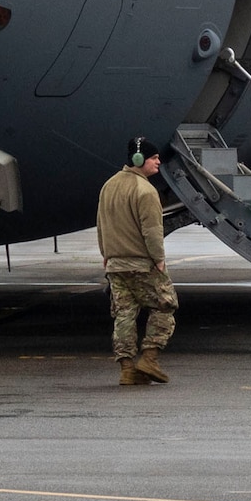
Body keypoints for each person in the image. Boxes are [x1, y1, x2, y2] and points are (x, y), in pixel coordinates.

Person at [96, 135, 176, 385]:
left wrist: (105, 254)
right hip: (141, 263)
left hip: (115, 264)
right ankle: (149, 358)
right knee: (165, 306)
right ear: (139, 159)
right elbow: (152, 230)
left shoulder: (108, 186)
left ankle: (127, 370)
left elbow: (101, 224)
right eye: (154, 158)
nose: (158, 162)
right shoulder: (146, 191)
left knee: (124, 315)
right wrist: (159, 259)